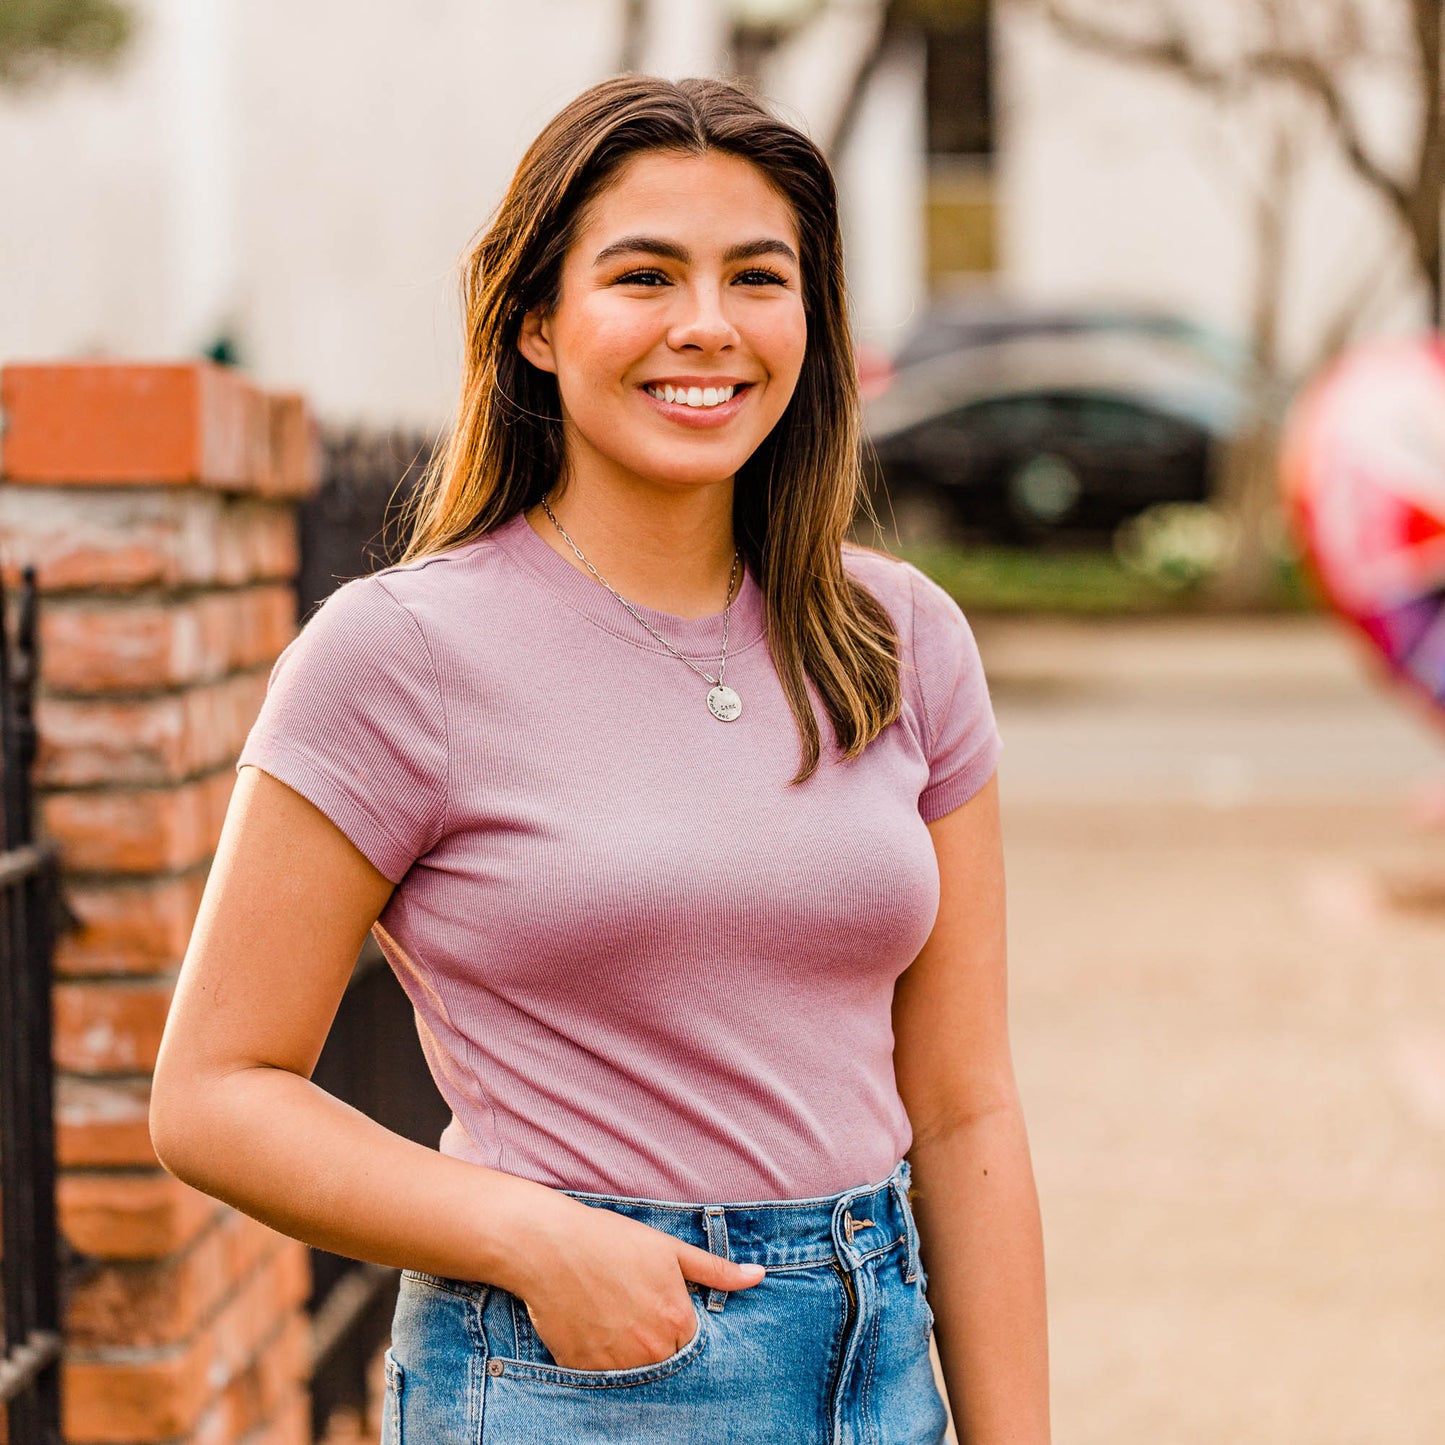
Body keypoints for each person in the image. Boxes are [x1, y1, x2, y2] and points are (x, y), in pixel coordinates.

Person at [150, 74, 1050, 1444]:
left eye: (758, 276)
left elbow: (967, 1107)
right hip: (583, 1373)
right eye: (643, 277)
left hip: (882, 1356)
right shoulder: (398, 653)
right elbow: (212, 1091)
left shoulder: (901, 638)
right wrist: (533, 1236)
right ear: (534, 326)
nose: (707, 326)